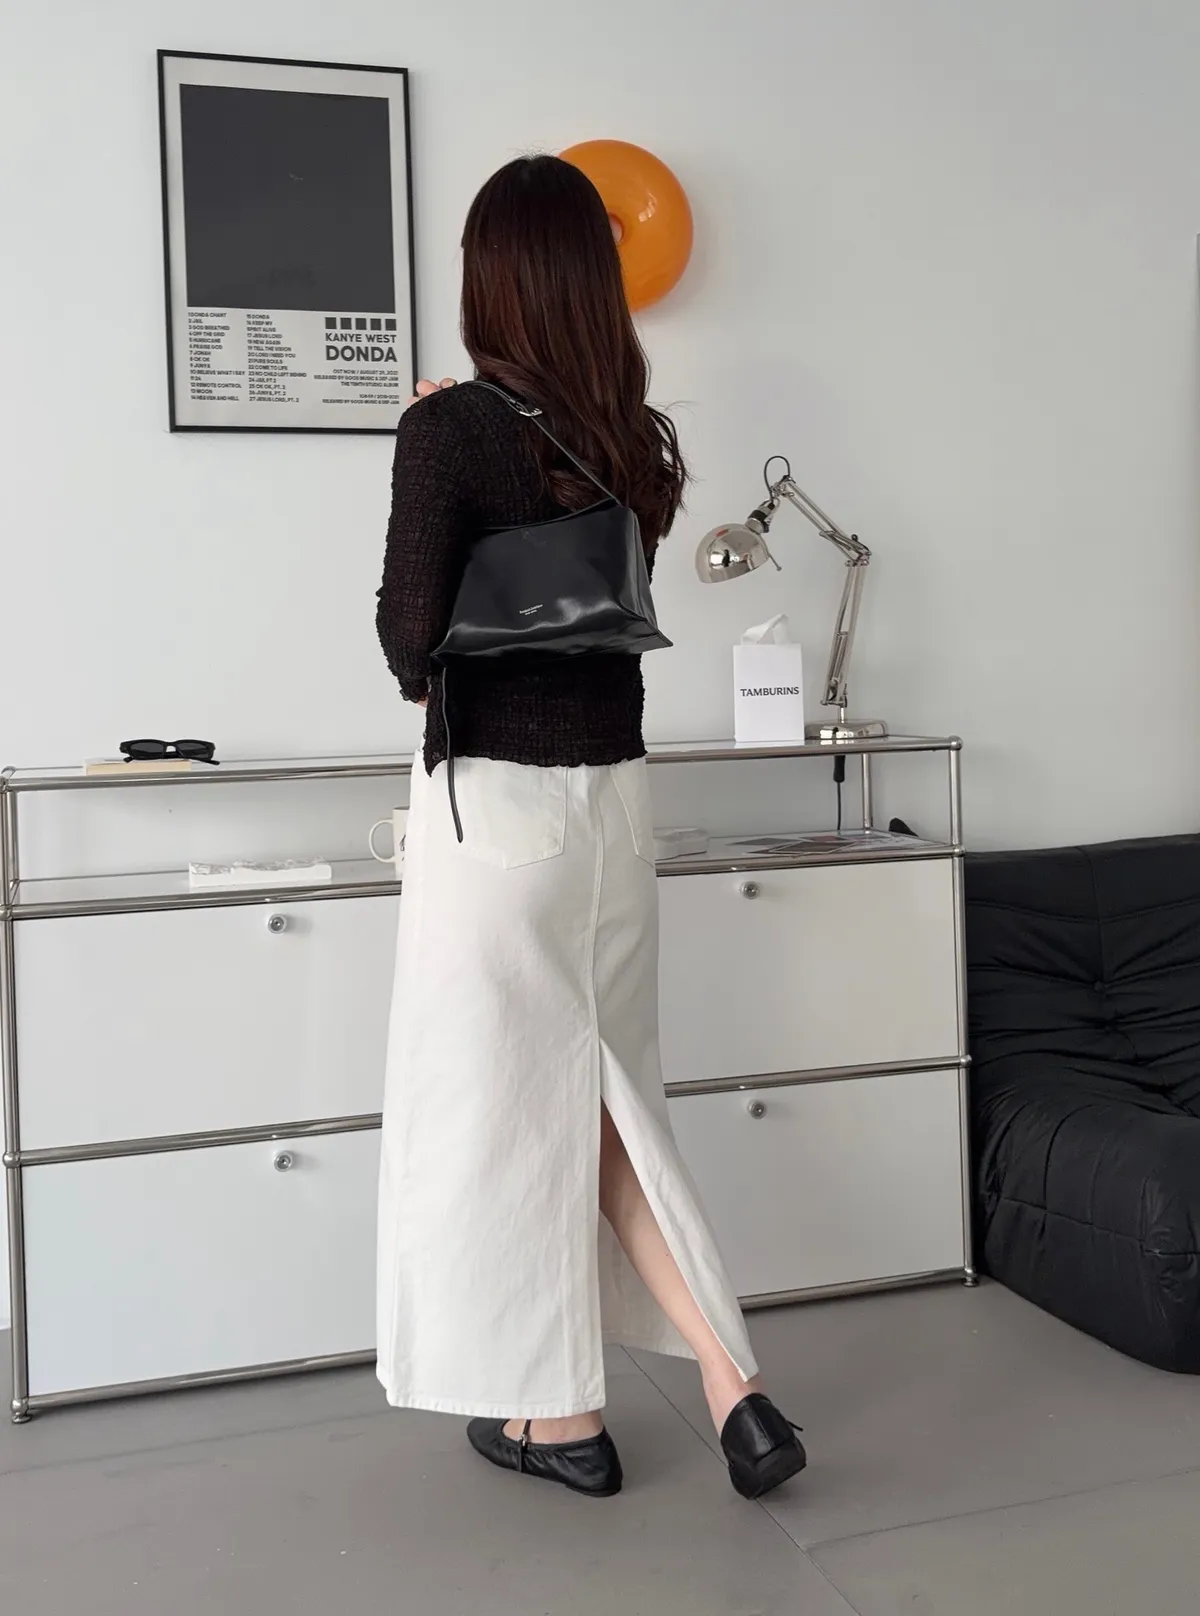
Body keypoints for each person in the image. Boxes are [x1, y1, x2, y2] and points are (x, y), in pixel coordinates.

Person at [374, 154, 806, 1501]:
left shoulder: (450, 432)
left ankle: (556, 1418)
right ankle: (732, 1385)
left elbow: (407, 643)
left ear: (492, 281)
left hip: (499, 817)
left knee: (504, 1122)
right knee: (612, 1103)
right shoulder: (634, 441)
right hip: (617, 812)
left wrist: (421, 442)